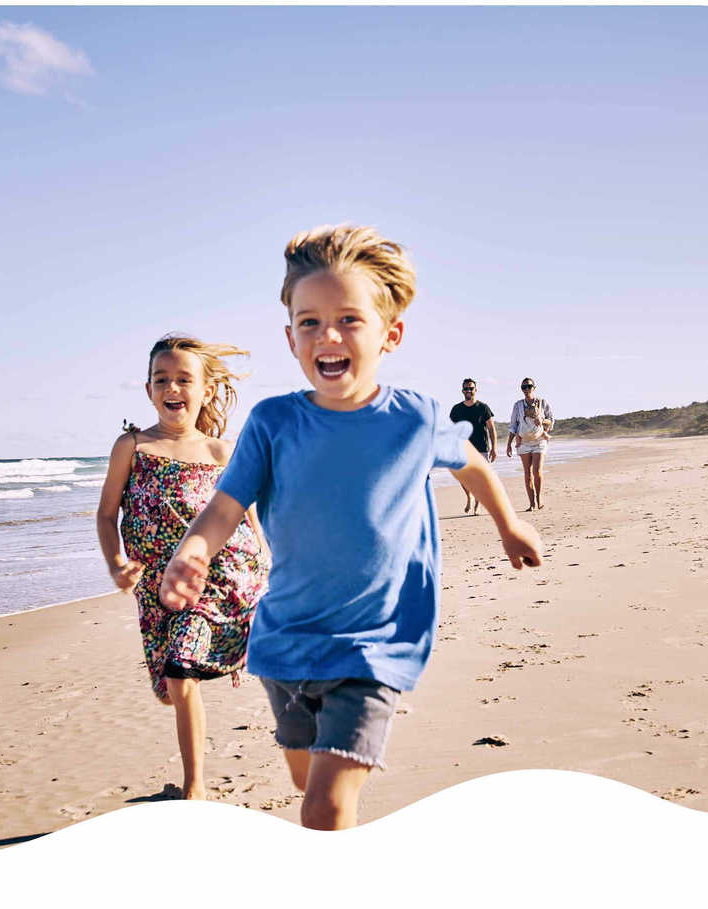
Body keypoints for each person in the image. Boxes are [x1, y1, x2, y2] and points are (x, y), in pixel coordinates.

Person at [159, 225, 543, 829]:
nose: (327, 335)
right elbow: (227, 504)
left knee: (326, 806)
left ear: (390, 334)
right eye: (309, 322)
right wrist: (194, 552)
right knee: (304, 782)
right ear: (290, 338)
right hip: (285, 643)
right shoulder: (273, 422)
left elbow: (470, 464)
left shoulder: (413, 417)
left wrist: (509, 523)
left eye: (348, 320)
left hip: (374, 645)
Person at [96, 335, 269, 801]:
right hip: (156, 586)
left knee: (179, 670)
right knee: (171, 683)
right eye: (162, 380)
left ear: (206, 390)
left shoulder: (220, 452)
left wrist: (267, 558)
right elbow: (107, 513)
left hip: (220, 577)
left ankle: (195, 788)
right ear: (149, 389)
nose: (172, 387)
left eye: (184, 379)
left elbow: (246, 514)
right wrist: (116, 563)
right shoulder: (131, 446)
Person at [449, 378, 497, 515]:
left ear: (475, 390)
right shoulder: (457, 409)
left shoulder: (483, 408)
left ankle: (477, 503)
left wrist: (494, 448)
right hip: (463, 448)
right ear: (462, 391)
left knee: (481, 478)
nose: (468, 391)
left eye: (471, 388)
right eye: (466, 388)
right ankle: (469, 496)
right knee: (463, 477)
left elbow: (491, 428)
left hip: (482, 448)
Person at [506, 377, 555, 511]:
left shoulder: (542, 402)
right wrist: (509, 444)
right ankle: (531, 503)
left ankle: (539, 500)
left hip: (539, 440)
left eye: (529, 386)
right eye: (524, 387)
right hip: (524, 441)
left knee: (537, 471)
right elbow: (513, 425)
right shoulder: (518, 405)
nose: (527, 389)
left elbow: (551, 420)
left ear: (534, 388)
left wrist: (542, 420)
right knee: (527, 473)